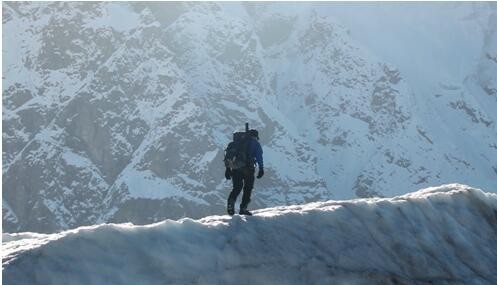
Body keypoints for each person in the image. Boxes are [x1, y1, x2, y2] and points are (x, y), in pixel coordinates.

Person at [225, 129, 264, 216]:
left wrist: (228, 169)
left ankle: (231, 203)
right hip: (248, 170)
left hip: (235, 169)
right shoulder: (255, 144)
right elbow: (259, 157)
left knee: (237, 187)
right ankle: (243, 208)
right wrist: (261, 169)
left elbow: (229, 157)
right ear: (255, 136)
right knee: (248, 189)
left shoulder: (237, 143)